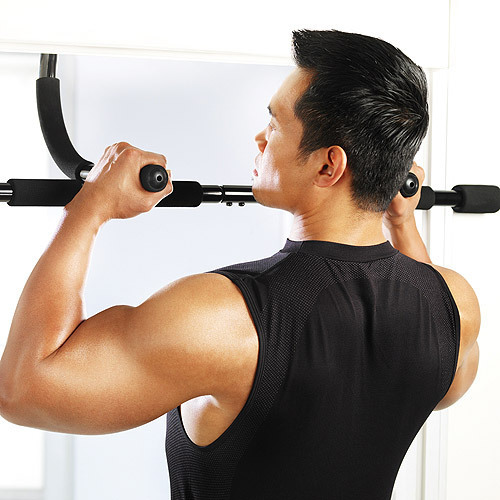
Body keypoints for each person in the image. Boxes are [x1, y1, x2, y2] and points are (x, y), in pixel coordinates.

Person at [0, 29, 480, 499]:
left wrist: (88, 210)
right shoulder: (454, 306)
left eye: (275, 125)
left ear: (328, 166)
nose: (259, 138)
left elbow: (22, 390)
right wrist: (401, 222)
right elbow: (444, 385)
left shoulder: (223, 317)